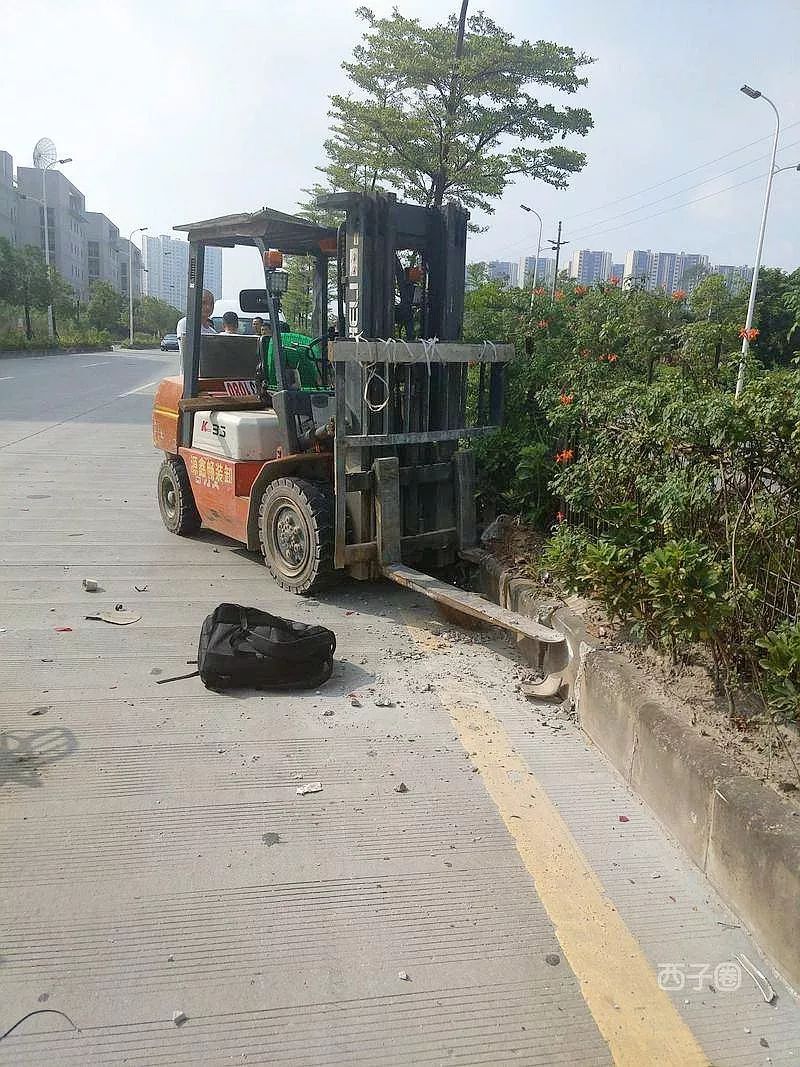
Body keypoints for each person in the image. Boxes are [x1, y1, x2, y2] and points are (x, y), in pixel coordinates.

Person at [176, 290, 215, 356]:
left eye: (211, 304)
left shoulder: (213, 332)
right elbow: (187, 351)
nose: (208, 307)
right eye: (204, 303)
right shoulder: (186, 323)